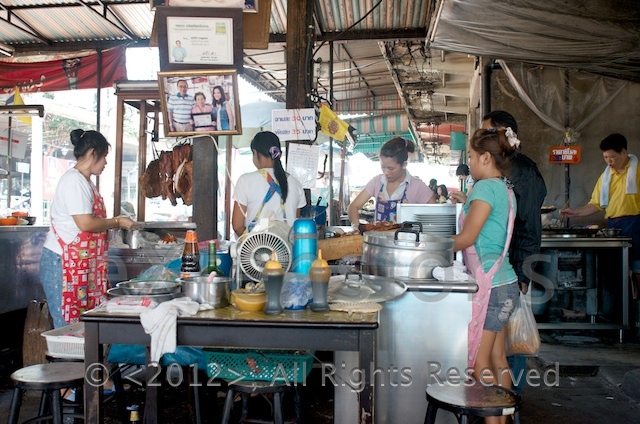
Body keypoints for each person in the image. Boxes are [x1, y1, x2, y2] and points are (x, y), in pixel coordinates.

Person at [450, 128, 519, 422]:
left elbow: (466, 238)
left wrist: (427, 247)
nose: (471, 163)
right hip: (506, 281)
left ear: (486, 158)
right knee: (498, 359)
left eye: (473, 157)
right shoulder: (504, 187)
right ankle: (502, 419)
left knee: (480, 364)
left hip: (492, 286)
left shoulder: (484, 188)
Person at [39, 129, 139, 328]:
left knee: (84, 327)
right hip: (62, 263)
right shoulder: (74, 181)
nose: (105, 163)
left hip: (79, 266)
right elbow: (85, 223)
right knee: (68, 328)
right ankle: (70, 361)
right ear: (93, 153)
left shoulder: (86, 182)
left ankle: (86, 360)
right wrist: (117, 222)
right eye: (104, 157)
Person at [482, 110, 547, 397]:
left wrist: (523, 272)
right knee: (499, 338)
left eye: (487, 133)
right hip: (498, 268)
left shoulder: (523, 171)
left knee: (513, 340)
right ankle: (498, 398)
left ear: (504, 133)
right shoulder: (501, 168)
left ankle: (512, 398)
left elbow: (530, 226)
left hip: (513, 267)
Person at [560, 133, 639, 298]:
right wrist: (574, 212)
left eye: (612, 157)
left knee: (637, 271)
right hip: (614, 229)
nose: (609, 161)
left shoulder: (637, 172)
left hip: (636, 225)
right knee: (617, 273)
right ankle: (620, 314)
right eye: (605, 157)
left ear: (624, 152)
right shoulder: (606, 177)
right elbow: (596, 204)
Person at [348, 137, 436, 227]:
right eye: (383, 167)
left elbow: (436, 215)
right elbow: (353, 207)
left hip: (405, 240)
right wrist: (355, 225)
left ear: (404, 165)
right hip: (378, 240)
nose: (386, 172)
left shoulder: (417, 186)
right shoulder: (377, 182)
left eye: (391, 168)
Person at [232, 131, 306, 237]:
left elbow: (237, 226)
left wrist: (252, 244)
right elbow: (294, 222)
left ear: (255, 153)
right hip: (287, 251)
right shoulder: (296, 183)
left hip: (254, 251)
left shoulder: (245, 181)